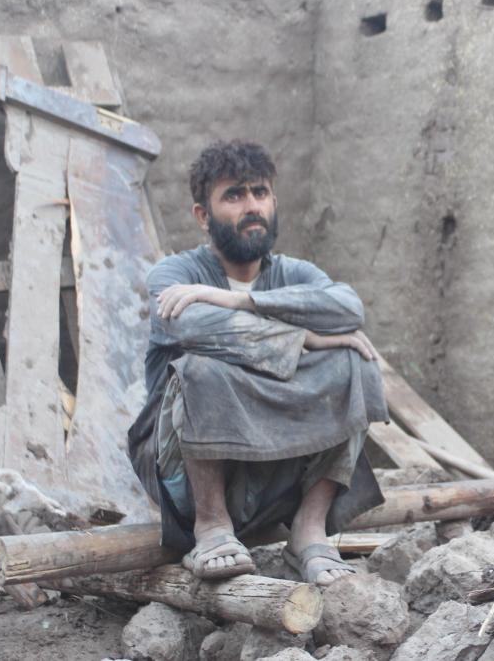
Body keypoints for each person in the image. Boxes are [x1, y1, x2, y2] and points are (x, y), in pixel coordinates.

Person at [128, 140, 387, 585]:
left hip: (272, 465)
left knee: (356, 360)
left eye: (260, 193)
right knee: (202, 368)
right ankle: (211, 528)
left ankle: (309, 530)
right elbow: (191, 327)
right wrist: (303, 337)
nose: (252, 206)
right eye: (234, 195)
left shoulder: (293, 273)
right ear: (202, 216)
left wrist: (237, 299)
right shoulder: (173, 276)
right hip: (184, 474)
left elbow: (349, 310)